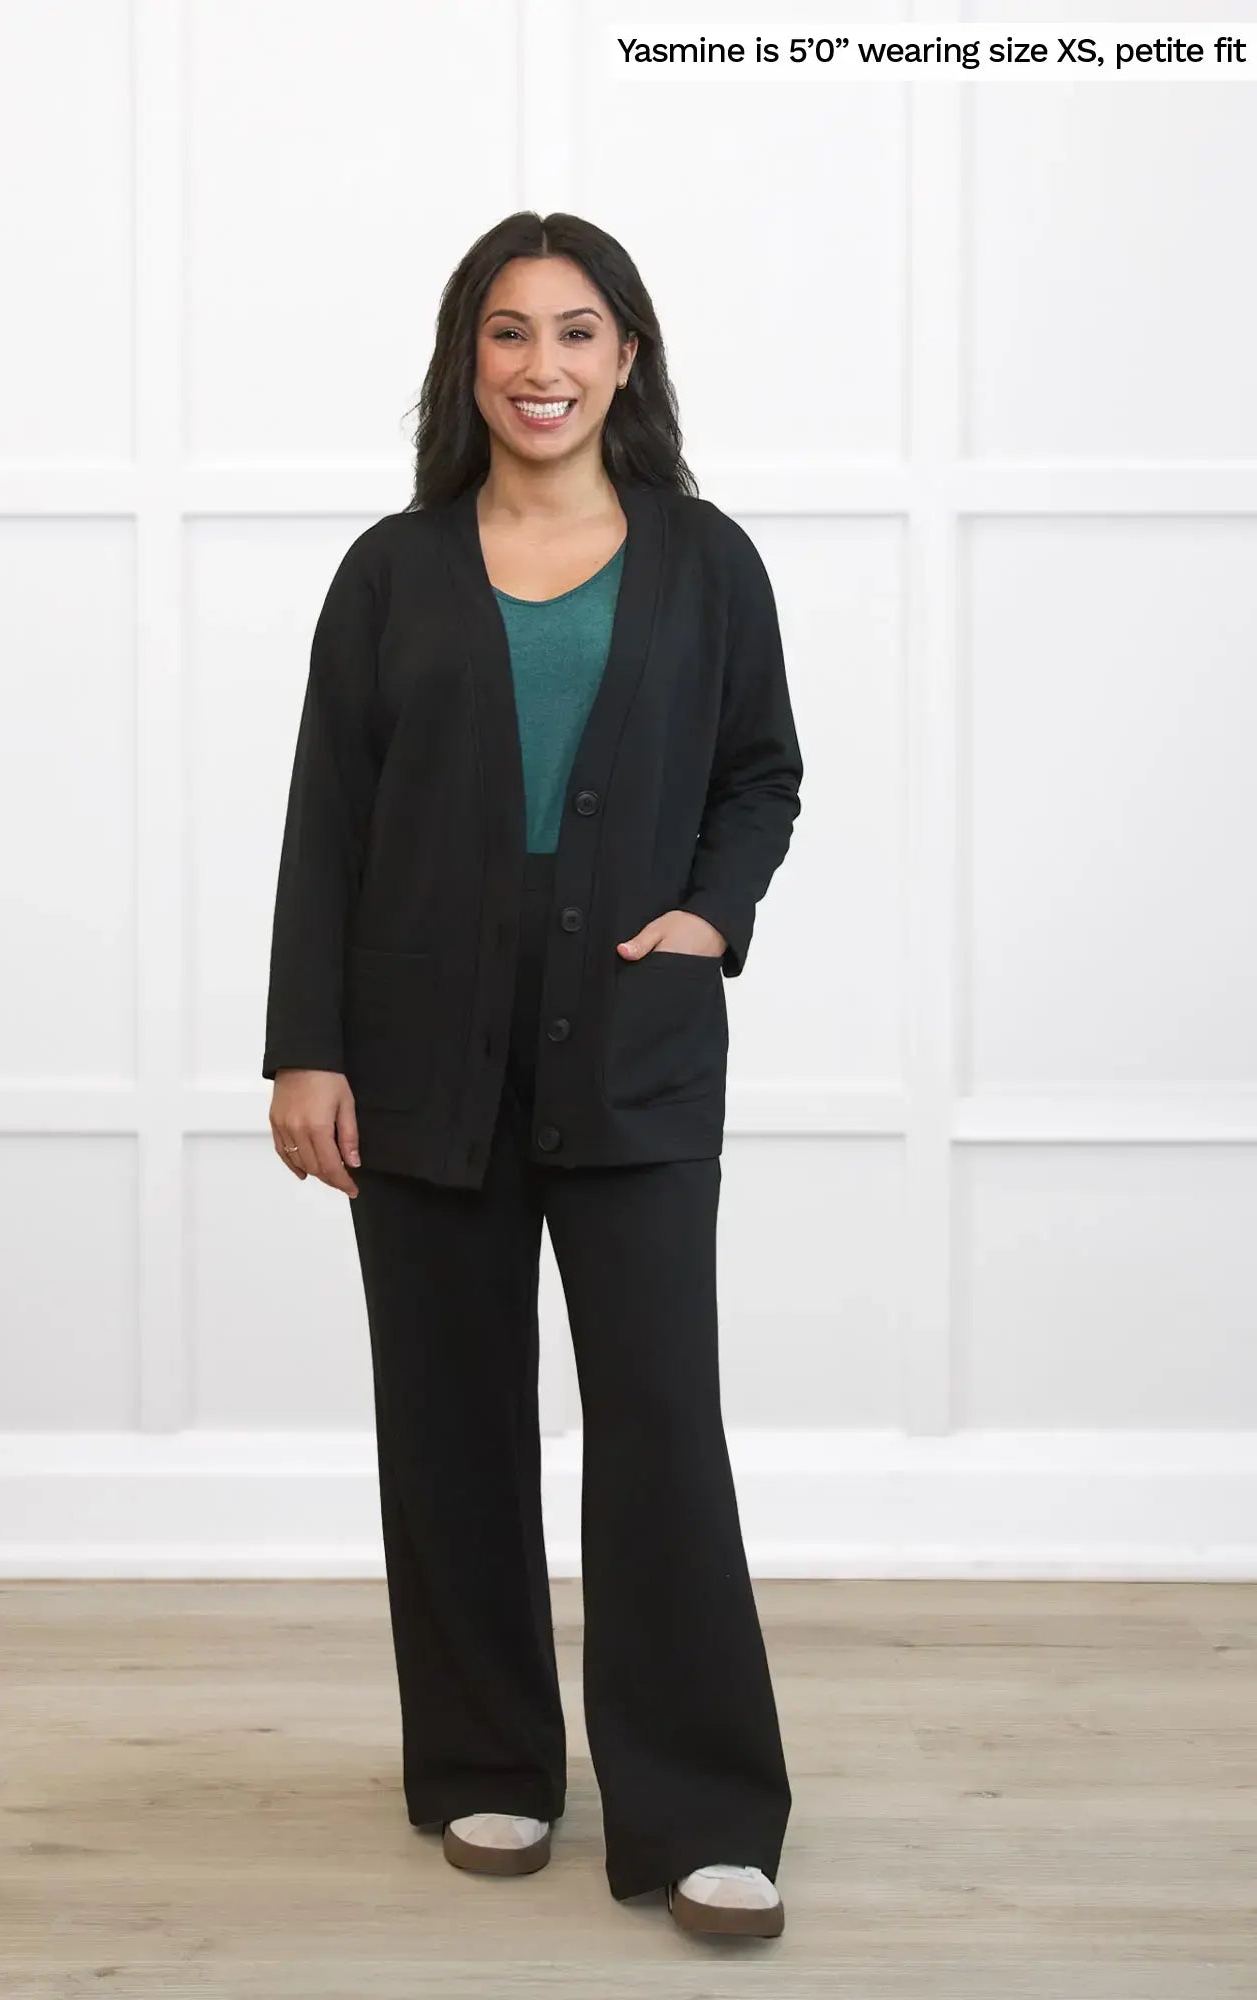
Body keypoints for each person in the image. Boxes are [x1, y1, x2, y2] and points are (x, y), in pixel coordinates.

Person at [264, 211, 803, 1940]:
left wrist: (712, 922)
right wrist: (306, 1048)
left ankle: (704, 1806)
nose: (543, 367)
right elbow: (325, 825)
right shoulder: (391, 571)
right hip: (421, 1054)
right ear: (466, 362)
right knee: (451, 1430)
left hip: (636, 1047)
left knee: (658, 1427)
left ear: (627, 357)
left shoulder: (706, 560)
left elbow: (761, 773)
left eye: (578, 333)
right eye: (509, 335)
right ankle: (490, 1766)